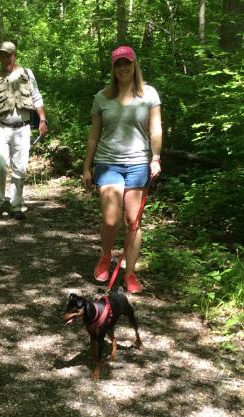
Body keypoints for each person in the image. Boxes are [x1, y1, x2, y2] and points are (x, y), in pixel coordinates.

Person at [82, 45, 162, 294]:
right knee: (110, 217)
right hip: (108, 163)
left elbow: (156, 128)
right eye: (118, 64)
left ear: (134, 64)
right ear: (113, 68)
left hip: (138, 163)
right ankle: (106, 255)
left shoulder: (148, 94)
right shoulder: (102, 97)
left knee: (132, 221)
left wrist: (156, 157)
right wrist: (87, 167)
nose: (123, 68)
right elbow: (94, 136)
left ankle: (129, 273)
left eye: (127, 63)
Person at [0, 41, 48, 221]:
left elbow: (36, 97)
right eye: (2, 55)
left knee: (20, 167)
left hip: (23, 129)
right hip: (1, 128)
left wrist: (42, 119)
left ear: (14, 55)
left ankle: (16, 205)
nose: (4, 59)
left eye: (8, 55)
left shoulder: (27, 74)